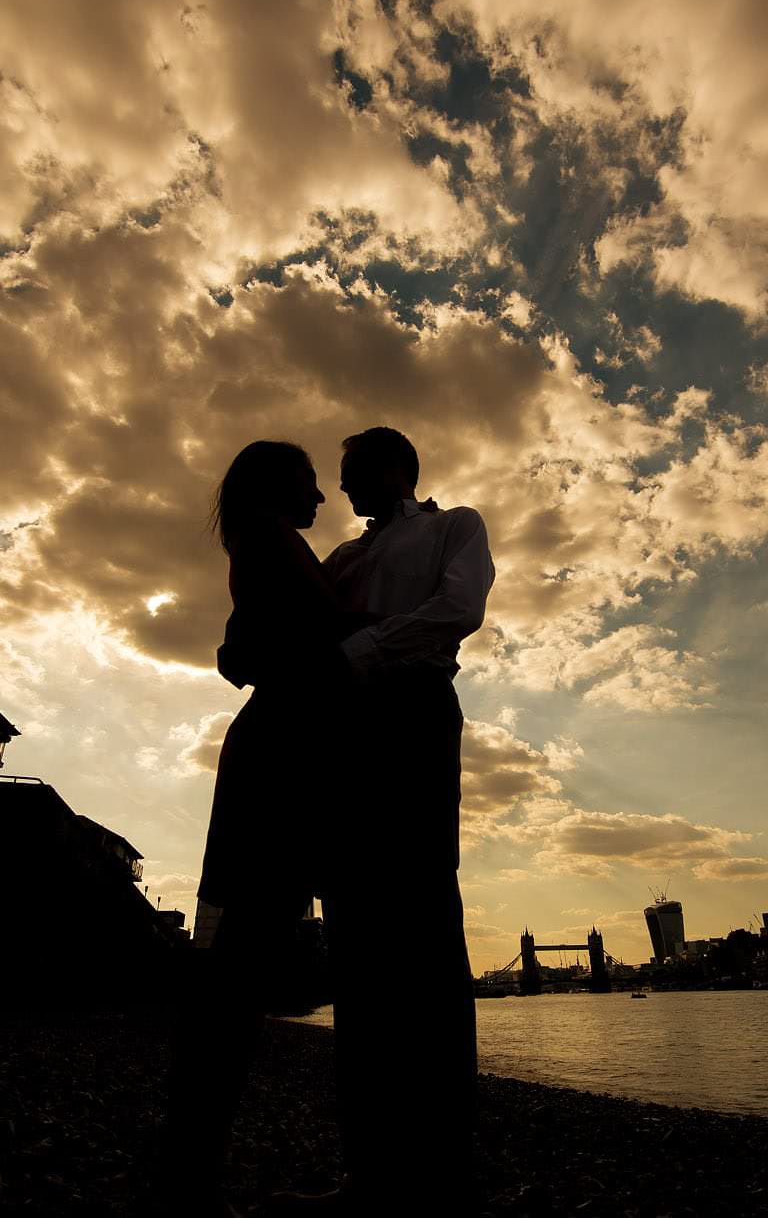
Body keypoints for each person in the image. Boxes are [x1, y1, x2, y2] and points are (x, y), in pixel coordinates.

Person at [272, 426, 495, 1215]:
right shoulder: (339, 559)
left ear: (390, 466)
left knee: (429, 928)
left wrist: (361, 651)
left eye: (349, 472)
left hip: (412, 714)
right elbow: (302, 631)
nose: (339, 490)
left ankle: (444, 1174)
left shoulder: (454, 525)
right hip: (343, 731)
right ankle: (368, 1173)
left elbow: (459, 610)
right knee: (357, 938)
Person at [159, 440, 367, 1218]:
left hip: (276, 750)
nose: (321, 499)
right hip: (283, 757)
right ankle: (190, 1173)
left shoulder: (260, 544)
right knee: (245, 963)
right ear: (278, 483)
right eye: (310, 483)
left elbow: (243, 648)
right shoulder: (276, 539)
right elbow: (325, 631)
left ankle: (190, 1166)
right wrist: (414, 624)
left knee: (245, 957)